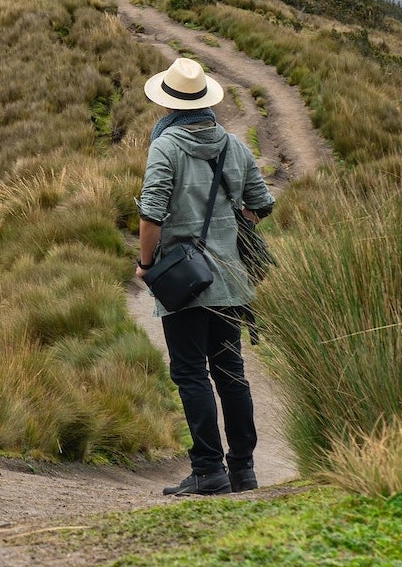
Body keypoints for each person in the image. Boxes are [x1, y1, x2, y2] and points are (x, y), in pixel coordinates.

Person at [136, 57, 275, 496]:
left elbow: (151, 212)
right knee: (230, 371)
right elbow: (261, 204)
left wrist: (146, 264)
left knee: (191, 372)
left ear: (170, 105)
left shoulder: (166, 146)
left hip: (185, 279)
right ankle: (243, 469)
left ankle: (207, 469)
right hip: (232, 279)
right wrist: (227, 228)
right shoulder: (234, 144)